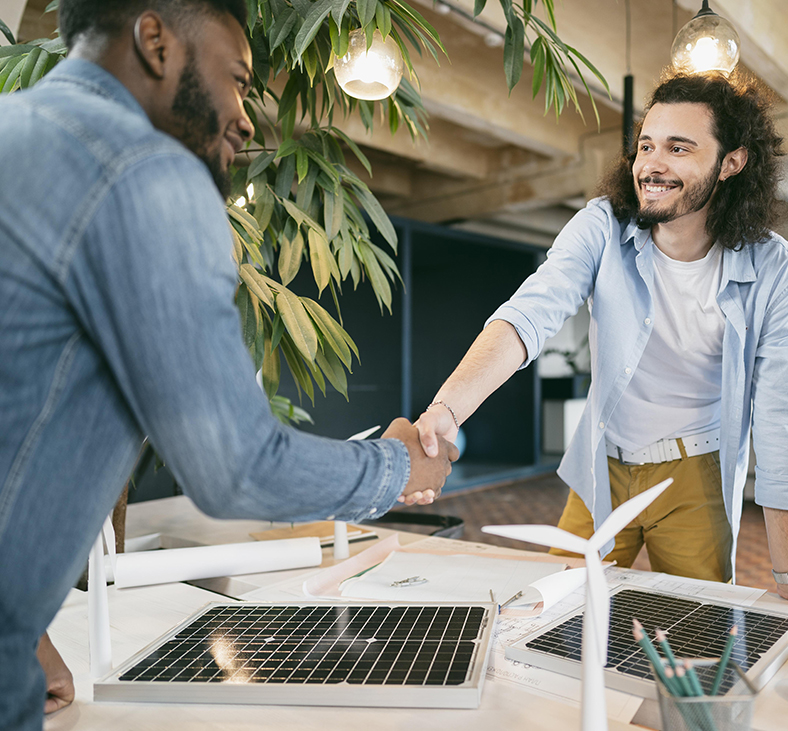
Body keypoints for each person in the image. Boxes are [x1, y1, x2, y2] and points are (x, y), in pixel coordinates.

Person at [0, 2, 457, 729]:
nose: (245, 118)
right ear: (156, 41)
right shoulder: (147, 171)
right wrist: (397, 468)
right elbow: (235, 465)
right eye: (237, 79)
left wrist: (24, 633)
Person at [415, 73, 788, 609]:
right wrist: (449, 408)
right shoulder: (602, 227)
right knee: (556, 611)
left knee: (700, 629)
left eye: (679, 148)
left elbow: (782, 418)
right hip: (603, 463)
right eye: (646, 146)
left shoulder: (775, 270)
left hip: (696, 474)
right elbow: (529, 314)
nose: (652, 164)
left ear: (731, 162)